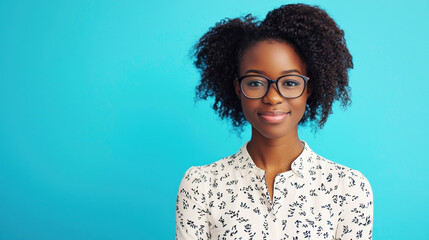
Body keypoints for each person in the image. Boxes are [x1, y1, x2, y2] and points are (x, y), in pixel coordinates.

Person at [176, 3, 373, 239]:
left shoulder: (348, 188)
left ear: (308, 88)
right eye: (255, 83)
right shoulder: (201, 186)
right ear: (238, 89)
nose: (272, 97)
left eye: (290, 83)